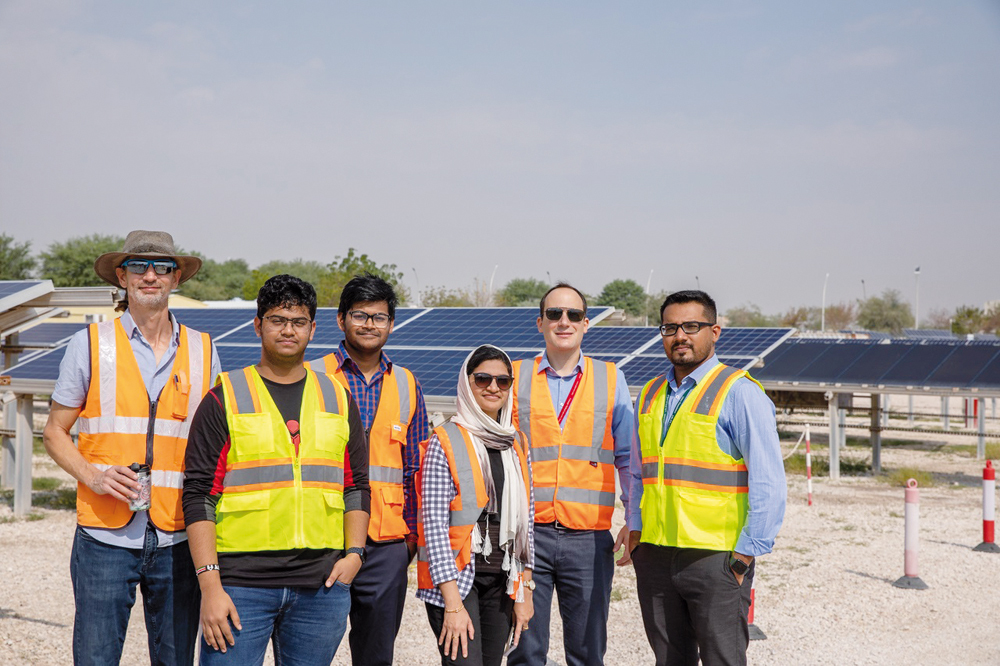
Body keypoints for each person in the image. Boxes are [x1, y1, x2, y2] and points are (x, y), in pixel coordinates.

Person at [42, 230, 220, 665]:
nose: (151, 275)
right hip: (104, 536)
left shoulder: (204, 349)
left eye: (162, 267)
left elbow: (214, 445)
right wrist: (94, 476)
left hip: (178, 534)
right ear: (122, 276)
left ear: (177, 279)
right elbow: (54, 431)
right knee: (96, 659)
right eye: (139, 266)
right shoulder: (89, 343)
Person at [182, 275, 370, 666]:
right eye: (277, 319)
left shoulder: (337, 396)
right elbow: (199, 494)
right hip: (240, 587)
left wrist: (354, 554)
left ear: (313, 329)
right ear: (258, 325)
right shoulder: (225, 396)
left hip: (322, 587)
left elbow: (356, 486)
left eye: (299, 321)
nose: (288, 329)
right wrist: (210, 586)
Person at [622, 290, 787, 666]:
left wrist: (745, 555)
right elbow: (637, 472)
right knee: (668, 659)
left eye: (691, 326)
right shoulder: (648, 394)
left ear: (714, 331)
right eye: (670, 327)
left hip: (717, 558)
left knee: (722, 659)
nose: (680, 336)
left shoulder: (739, 393)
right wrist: (634, 528)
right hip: (655, 555)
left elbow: (769, 481)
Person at [507, 283, 636, 666]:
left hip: (589, 540)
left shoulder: (611, 378)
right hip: (527, 535)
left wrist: (634, 518)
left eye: (574, 315)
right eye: (554, 314)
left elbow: (628, 457)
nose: (564, 322)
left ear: (586, 324)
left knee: (586, 649)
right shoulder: (513, 377)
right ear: (540, 323)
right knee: (526, 648)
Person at [304, 273, 430, 666]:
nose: (370, 325)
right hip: (321, 536)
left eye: (379, 317)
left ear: (391, 324)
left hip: (386, 545)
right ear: (340, 320)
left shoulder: (408, 384)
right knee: (307, 652)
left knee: (376, 656)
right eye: (360, 315)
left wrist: (408, 542)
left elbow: (416, 471)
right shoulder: (311, 375)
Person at [416, 345, 535, 666]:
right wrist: (452, 604)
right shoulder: (446, 439)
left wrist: (525, 592)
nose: (493, 387)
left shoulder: (517, 442)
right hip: (457, 580)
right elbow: (434, 528)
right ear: (467, 383)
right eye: (483, 379)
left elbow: (528, 521)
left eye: (503, 381)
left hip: (502, 580)